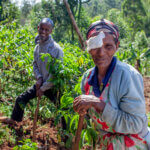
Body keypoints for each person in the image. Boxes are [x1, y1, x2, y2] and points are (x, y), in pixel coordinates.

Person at [73, 19, 150, 149]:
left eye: (108, 46)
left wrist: (98, 104)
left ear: (116, 46)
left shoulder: (127, 75)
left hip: (132, 145)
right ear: (88, 48)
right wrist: (81, 108)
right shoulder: (87, 79)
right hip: (105, 145)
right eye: (95, 46)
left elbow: (135, 124)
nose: (101, 53)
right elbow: (88, 116)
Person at [2, 18, 63, 124]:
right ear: (38, 28)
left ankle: (66, 134)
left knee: (63, 108)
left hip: (52, 86)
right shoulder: (37, 48)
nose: (43, 32)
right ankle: (15, 120)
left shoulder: (57, 49)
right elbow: (35, 65)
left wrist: (44, 88)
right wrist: (39, 78)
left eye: (46, 30)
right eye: (42, 29)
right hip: (40, 84)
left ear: (51, 31)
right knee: (21, 99)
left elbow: (56, 74)